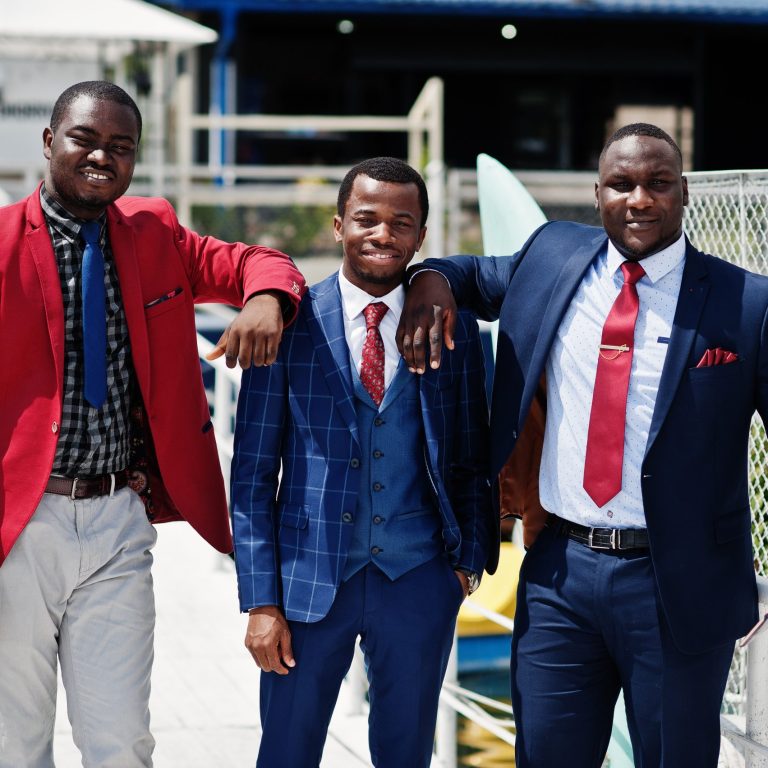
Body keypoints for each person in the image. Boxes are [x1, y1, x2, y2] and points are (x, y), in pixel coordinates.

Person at [397, 123, 766, 768]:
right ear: (597, 194)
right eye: (622, 184)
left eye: (658, 184)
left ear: (683, 194)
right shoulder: (551, 256)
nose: (639, 199)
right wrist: (429, 275)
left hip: (678, 583)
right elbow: (471, 275)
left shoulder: (747, 302)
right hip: (559, 575)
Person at [0, 80, 305, 768]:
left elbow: (262, 263)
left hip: (117, 520)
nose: (102, 156)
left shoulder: (154, 230)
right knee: (13, 743)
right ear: (50, 143)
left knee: (121, 741)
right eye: (85, 139)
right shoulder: (0, 242)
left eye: (121, 146)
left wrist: (266, 302)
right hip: (19, 525)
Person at [230, 156, 498, 767]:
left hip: (420, 580)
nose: (383, 234)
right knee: (287, 753)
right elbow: (249, 480)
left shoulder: (455, 334)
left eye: (401, 223)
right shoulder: (288, 327)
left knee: (406, 756)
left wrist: (465, 567)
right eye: (366, 219)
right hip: (306, 587)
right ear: (338, 226)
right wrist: (261, 601)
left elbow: (471, 454)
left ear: (422, 237)